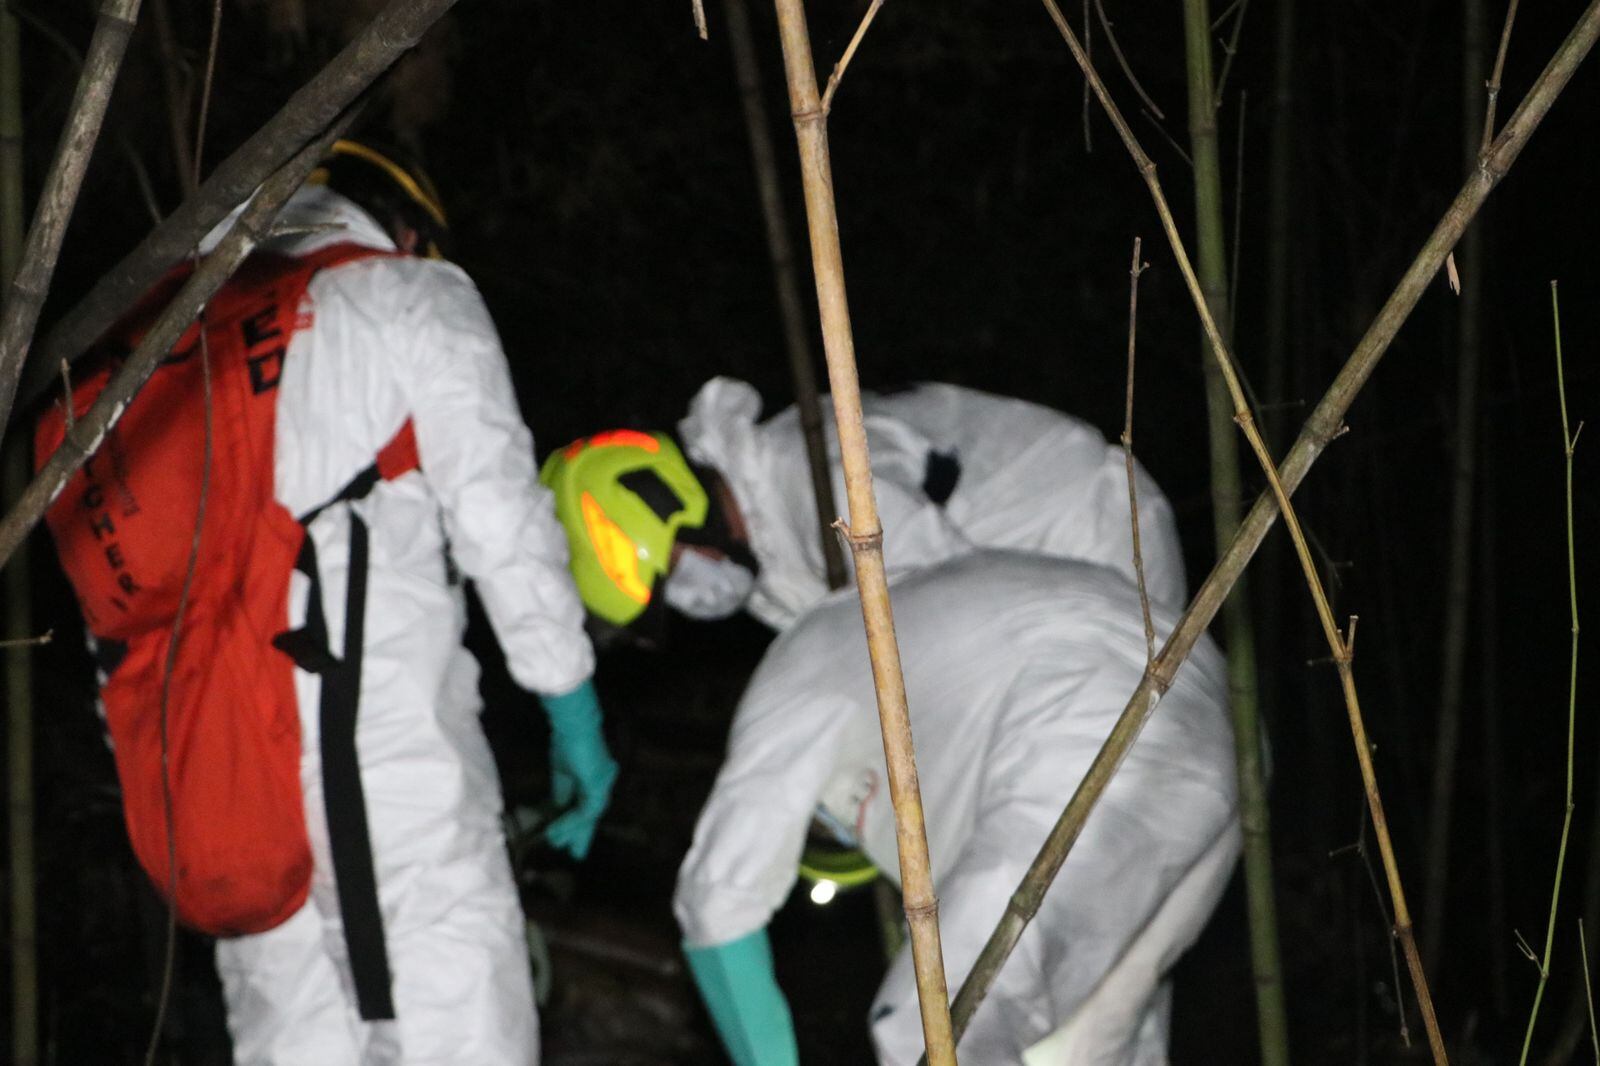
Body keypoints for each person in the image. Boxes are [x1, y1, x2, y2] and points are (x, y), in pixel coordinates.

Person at [36, 141, 615, 1064]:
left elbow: (123, 614)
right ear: (408, 225)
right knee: (458, 1032)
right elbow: (503, 523)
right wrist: (569, 701)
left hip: (223, 778)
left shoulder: (153, 349)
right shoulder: (405, 298)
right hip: (387, 767)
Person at [673, 552, 1240, 1065]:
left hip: (1094, 723)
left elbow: (716, 905)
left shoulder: (789, 683)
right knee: (1078, 1048)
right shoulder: (892, 610)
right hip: (1215, 727)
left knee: (931, 1031)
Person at [540, 376, 1188, 637]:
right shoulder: (774, 559)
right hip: (1050, 588)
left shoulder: (806, 477)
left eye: (672, 572)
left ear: (674, 506)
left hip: (1096, 539)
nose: (692, 597)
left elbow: (953, 604)